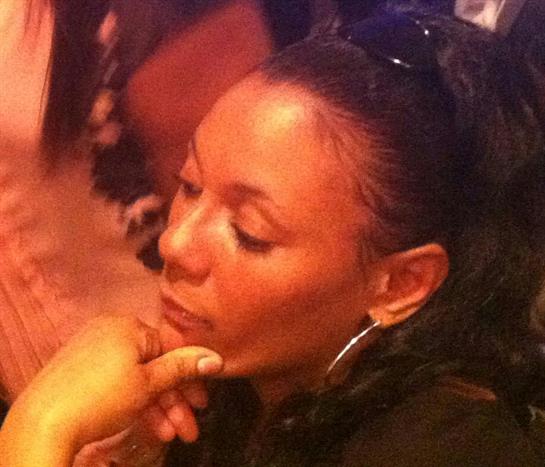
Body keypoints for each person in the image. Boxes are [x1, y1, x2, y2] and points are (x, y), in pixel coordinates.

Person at [2, 6, 545, 466]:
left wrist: (40, 428)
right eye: (189, 186)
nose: (174, 244)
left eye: (249, 233)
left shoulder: (443, 449)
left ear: (401, 284)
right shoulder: (242, 391)